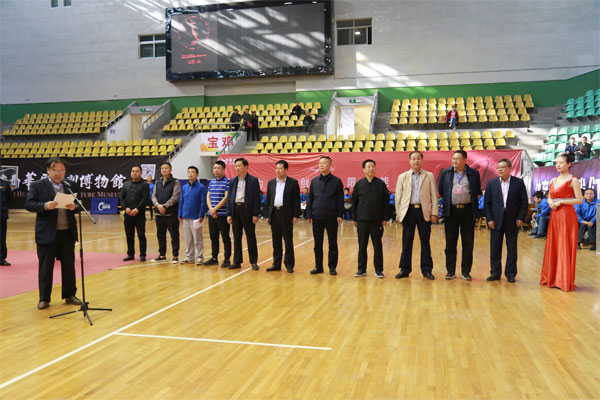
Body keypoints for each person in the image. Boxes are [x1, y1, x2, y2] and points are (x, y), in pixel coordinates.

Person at [24, 157, 82, 310]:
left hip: (67, 232)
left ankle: (70, 294)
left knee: (69, 266)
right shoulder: (38, 185)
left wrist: (74, 207)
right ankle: (44, 298)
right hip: (47, 233)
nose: (58, 173)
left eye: (61, 170)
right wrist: (45, 205)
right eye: (55, 170)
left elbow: (80, 204)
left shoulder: (70, 185)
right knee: (46, 267)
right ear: (48, 171)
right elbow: (29, 204)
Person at [540, 153, 583, 291]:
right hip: (555, 215)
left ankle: (563, 280)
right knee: (554, 245)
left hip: (566, 216)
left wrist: (561, 202)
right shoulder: (553, 180)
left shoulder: (573, 180)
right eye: (556, 162)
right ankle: (552, 278)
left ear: (569, 164)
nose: (558, 165)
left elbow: (579, 199)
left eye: (561, 162)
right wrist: (551, 203)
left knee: (564, 245)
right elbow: (549, 197)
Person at [394, 151, 439, 280]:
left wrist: (434, 213)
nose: (416, 161)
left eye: (418, 159)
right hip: (408, 212)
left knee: (425, 242)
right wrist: (399, 214)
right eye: (413, 159)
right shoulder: (402, 176)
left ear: (422, 160)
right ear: (409, 161)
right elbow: (398, 197)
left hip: (424, 212)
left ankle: (427, 270)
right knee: (406, 241)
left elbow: (434, 196)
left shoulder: (429, 176)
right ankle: (404, 269)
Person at [438, 150, 482, 280]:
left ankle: (466, 271)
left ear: (465, 160)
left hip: (467, 211)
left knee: (468, 243)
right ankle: (450, 271)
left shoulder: (473, 173)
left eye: (457, 158)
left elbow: (477, 191)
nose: (454, 161)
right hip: (451, 211)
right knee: (450, 243)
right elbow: (441, 190)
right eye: (453, 158)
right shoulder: (446, 172)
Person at [483, 158, 528, 282]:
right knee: (495, 248)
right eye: (498, 167)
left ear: (509, 168)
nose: (500, 169)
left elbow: (524, 202)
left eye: (503, 167)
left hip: (512, 220)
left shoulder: (518, 182)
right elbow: (487, 203)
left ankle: (511, 274)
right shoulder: (491, 183)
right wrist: (489, 219)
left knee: (512, 248)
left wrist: (521, 217)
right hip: (495, 220)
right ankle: (495, 273)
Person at [306, 156, 344, 275]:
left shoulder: (337, 181)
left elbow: (340, 199)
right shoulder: (314, 181)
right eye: (320, 163)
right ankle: (318, 267)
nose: (321, 165)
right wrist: (309, 214)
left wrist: (339, 214)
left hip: (332, 216)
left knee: (332, 243)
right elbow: (310, 198)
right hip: (317, 216)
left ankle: (332, 267)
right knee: (317, 243)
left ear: (330, 165)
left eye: (324, 163)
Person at [352, 159, 389, 278]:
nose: (371, 169)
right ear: (363, 169)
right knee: (362, 246)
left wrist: (384, 218)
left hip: (376, 221)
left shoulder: (381, 184)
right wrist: (354, 218)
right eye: (368, 167)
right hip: (362, 220)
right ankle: (361, 269)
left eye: (373, 166)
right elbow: (354, 202)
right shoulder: (359, 184)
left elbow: (386, 202)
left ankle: (379, 270)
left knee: (377, 246)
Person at [265, 160, 301, 273]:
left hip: (286, 214)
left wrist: (295, 215)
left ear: (286, 169)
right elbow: (268, 200)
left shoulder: (293, 182)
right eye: (276, 168)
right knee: (276, 241)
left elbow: (296, 200)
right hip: (274, 213)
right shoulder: (271, 183)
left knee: (288, 240)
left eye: (280, 168)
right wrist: (267, 215)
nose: (278, 171)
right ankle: (276, 264)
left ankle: (289, 264)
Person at [226, 158, 261, 270]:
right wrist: (229, 214)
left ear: (246, 167)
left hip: (248, 210)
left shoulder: (253, 180)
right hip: (235, 209)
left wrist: (255, 214)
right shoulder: (233, 181)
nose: (237, 168)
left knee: (250, 236)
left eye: (239, 166)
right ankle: (237, 261)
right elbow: (230, 198)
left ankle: (253, 261)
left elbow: (257, 198)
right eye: (236, 166)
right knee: (236, 237)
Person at [204, 161, 232, 268]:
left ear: (223, 170)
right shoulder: (211, 182)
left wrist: (215, 209)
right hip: (212, 215)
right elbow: (208, 196)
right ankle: (214, 258)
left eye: (218, 168)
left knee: (225, 238)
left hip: (223, 215)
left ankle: (227, 259)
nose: (216, 170)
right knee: (213, 237)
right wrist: (211, 210)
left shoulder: (228, 182)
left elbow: (226, 198)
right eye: (214, 168)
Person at [119, 165, 150, 262]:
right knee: (129, 235)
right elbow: (121, 197)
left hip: (139, 215)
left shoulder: (145, 185)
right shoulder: (126, 184)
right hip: (128, 214)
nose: (134, 173)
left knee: (141, 235)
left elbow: (145, 198)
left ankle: (143, 254)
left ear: (141, 173)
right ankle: (130, 254)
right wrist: (125, 208)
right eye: (133, 171)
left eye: (137, 171)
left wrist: (137, 208)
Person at [152, 162, 181, 263]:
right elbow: (153, 196)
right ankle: (162, 255)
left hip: (171, 213)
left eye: (166, 168)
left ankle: (175, 255)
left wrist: (165, 206)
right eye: (162, 168)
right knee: (160, 235)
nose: (164, 170)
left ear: (170, 170)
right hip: (159, 213)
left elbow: (175, 196)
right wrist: (158, 205)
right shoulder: (157, 182)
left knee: (174, 235)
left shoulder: (175, 182)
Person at [179, 166, 208, 265]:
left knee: (197, 238)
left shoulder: (201, 187)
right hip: (185, 216)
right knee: (188, 238)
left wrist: (201, 215)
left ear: (197, 174)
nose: (190, 174)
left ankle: (199, 257)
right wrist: (180, 214)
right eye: (189, 172)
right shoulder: (184, 187)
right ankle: (189, 256)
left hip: (196, 217)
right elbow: (181, 200)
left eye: (192, 172)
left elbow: (203, 202)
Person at [0, 178, 13, 266]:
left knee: (1, 238)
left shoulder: (4, 183)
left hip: (1, 214)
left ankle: (1, 258)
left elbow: (9, 197)